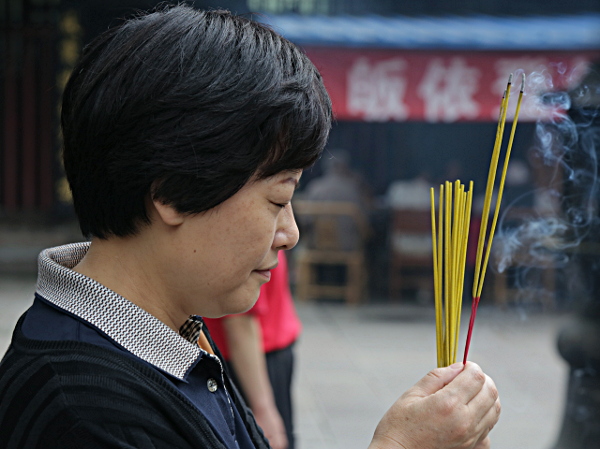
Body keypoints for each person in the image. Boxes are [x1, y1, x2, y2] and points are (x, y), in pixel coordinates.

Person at [0, 5, 500, 449]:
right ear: (173, 191)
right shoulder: (84, 408)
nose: (291, 232)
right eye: (278, 199)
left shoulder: (170, 330)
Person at [204, 252, 300, 449]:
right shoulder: (249, 239)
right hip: (252, 362)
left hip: (263, 355)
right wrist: (263, 406)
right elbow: (240, 320)